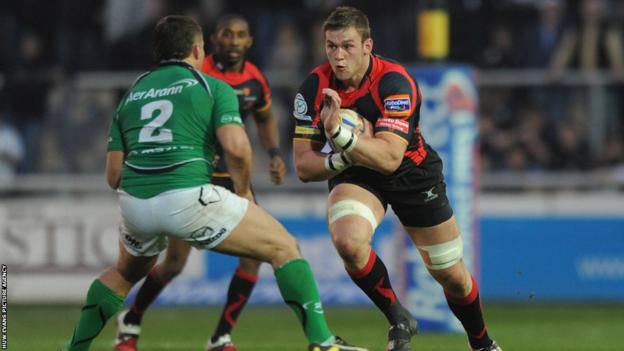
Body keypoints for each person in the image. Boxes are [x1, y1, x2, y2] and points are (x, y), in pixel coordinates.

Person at [61, 15, 367, 351]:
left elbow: (113, 175)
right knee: (285, 248)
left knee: (122, 274)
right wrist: (244, 190)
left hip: (135, 201)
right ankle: (322, 342)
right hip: (188, 195)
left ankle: (75, 347)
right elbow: (236, 147)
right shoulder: (211, 86)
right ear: (197, 49)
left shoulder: (133, 93)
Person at [292, 7, 502, 351]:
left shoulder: (395, 82)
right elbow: (303, 166)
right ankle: (398, 317)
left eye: (347, 46)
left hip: (411, 172)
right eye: (331, 46)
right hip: (356, 171)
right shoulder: (314, 86)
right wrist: (344, 153)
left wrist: (341, 136)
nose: (338, 56)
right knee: (348, 241)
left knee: (450, 274)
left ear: (367, 45)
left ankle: (482, 343)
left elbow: (390, 159)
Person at [114, 14, 286, 351]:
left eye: (241, 35)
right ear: (212, 40)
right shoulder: (197, 74)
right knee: (175, 263)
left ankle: (221, 336)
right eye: (227, 35)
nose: (234, 41)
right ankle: (132, 318)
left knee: (254, 257)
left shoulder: (255, 80)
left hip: (235, 178)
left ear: (250, 42)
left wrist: (275, 152)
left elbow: (264, 116)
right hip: (195, 177)